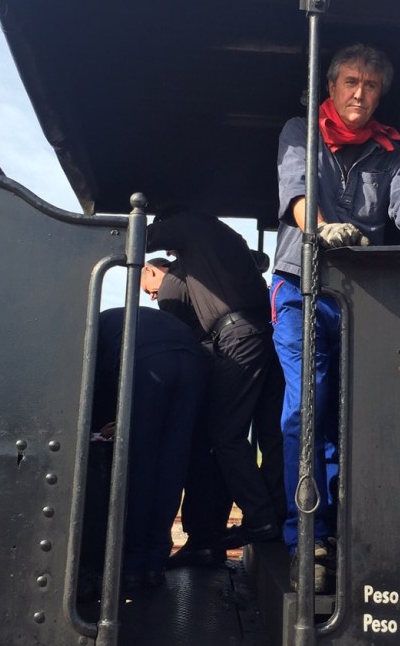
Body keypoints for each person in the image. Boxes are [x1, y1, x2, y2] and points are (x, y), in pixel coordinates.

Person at [271, 43, 400, 592]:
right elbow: (297, 190)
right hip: (302, 287)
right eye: (351, 82)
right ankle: (306, 539)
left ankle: (346, 532)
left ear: (381, 96)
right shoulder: (299, 131)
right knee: (305, 410)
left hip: (360, 298)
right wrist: (319, 228)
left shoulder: (389, 151)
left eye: (371, 85)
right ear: (331, 87)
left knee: (350, 417)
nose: (360, 93)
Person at [146, 210, 286, 549]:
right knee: (271, 434)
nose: (151, 295)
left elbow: (141, 239)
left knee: (225, 435)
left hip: (237, 336)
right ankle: (276, 515)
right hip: (267, 332)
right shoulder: (222, 241)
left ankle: (261, 518)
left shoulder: (188, 230)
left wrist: (134, 230)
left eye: (147, 287)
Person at [91, 305, 208, 592]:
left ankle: (131, 568)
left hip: (147, 361)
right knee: (172, 466)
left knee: (140, 467)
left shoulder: (95, 328)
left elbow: (94, 385)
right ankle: (155, 565)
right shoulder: (118, 319)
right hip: (193, 360)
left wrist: (107, 423)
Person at [140, 257, 232, 568]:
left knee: (193, 460)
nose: (152, 297)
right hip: (221, 366)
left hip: (202, 373)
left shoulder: (171, 287)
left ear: (151, 270)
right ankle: (211, 539)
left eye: (149, 290)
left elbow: (171, 340)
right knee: (216, 457)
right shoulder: (198, 277)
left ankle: (199, 541)